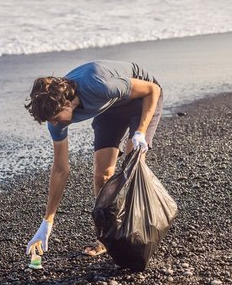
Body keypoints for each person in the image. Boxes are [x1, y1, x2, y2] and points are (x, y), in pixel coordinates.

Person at [23, 60, 163, 268]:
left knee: (131, 168)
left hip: (141, 99)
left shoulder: (97, 86)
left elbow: (152, 90)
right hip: (109, 108)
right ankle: (107, 237)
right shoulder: (56, 119)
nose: (54, 124)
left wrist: (140, 132)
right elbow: (61, 170)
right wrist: (47, 222)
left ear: (68, 103)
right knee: (102, 175)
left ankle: (138, 233)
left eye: (55, 118)